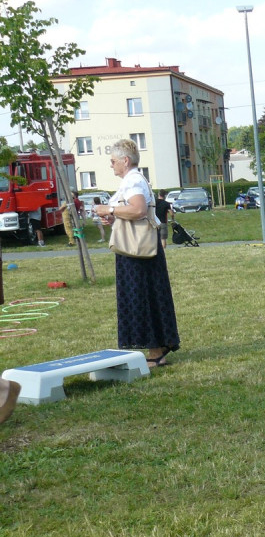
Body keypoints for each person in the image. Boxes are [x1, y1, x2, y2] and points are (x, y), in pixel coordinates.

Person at [98, 138, 180, 368]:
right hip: (139, 248)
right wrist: (113, 217)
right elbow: (133, 211)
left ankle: (156, 350)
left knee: (142, 297)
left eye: (113, 161)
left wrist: (109, 209)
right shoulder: (134, 180)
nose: (111, 165)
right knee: (150, 296)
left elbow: (138, 210)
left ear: (125, 160)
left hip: (137, 251)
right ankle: (159, 346)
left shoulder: (133, 181)